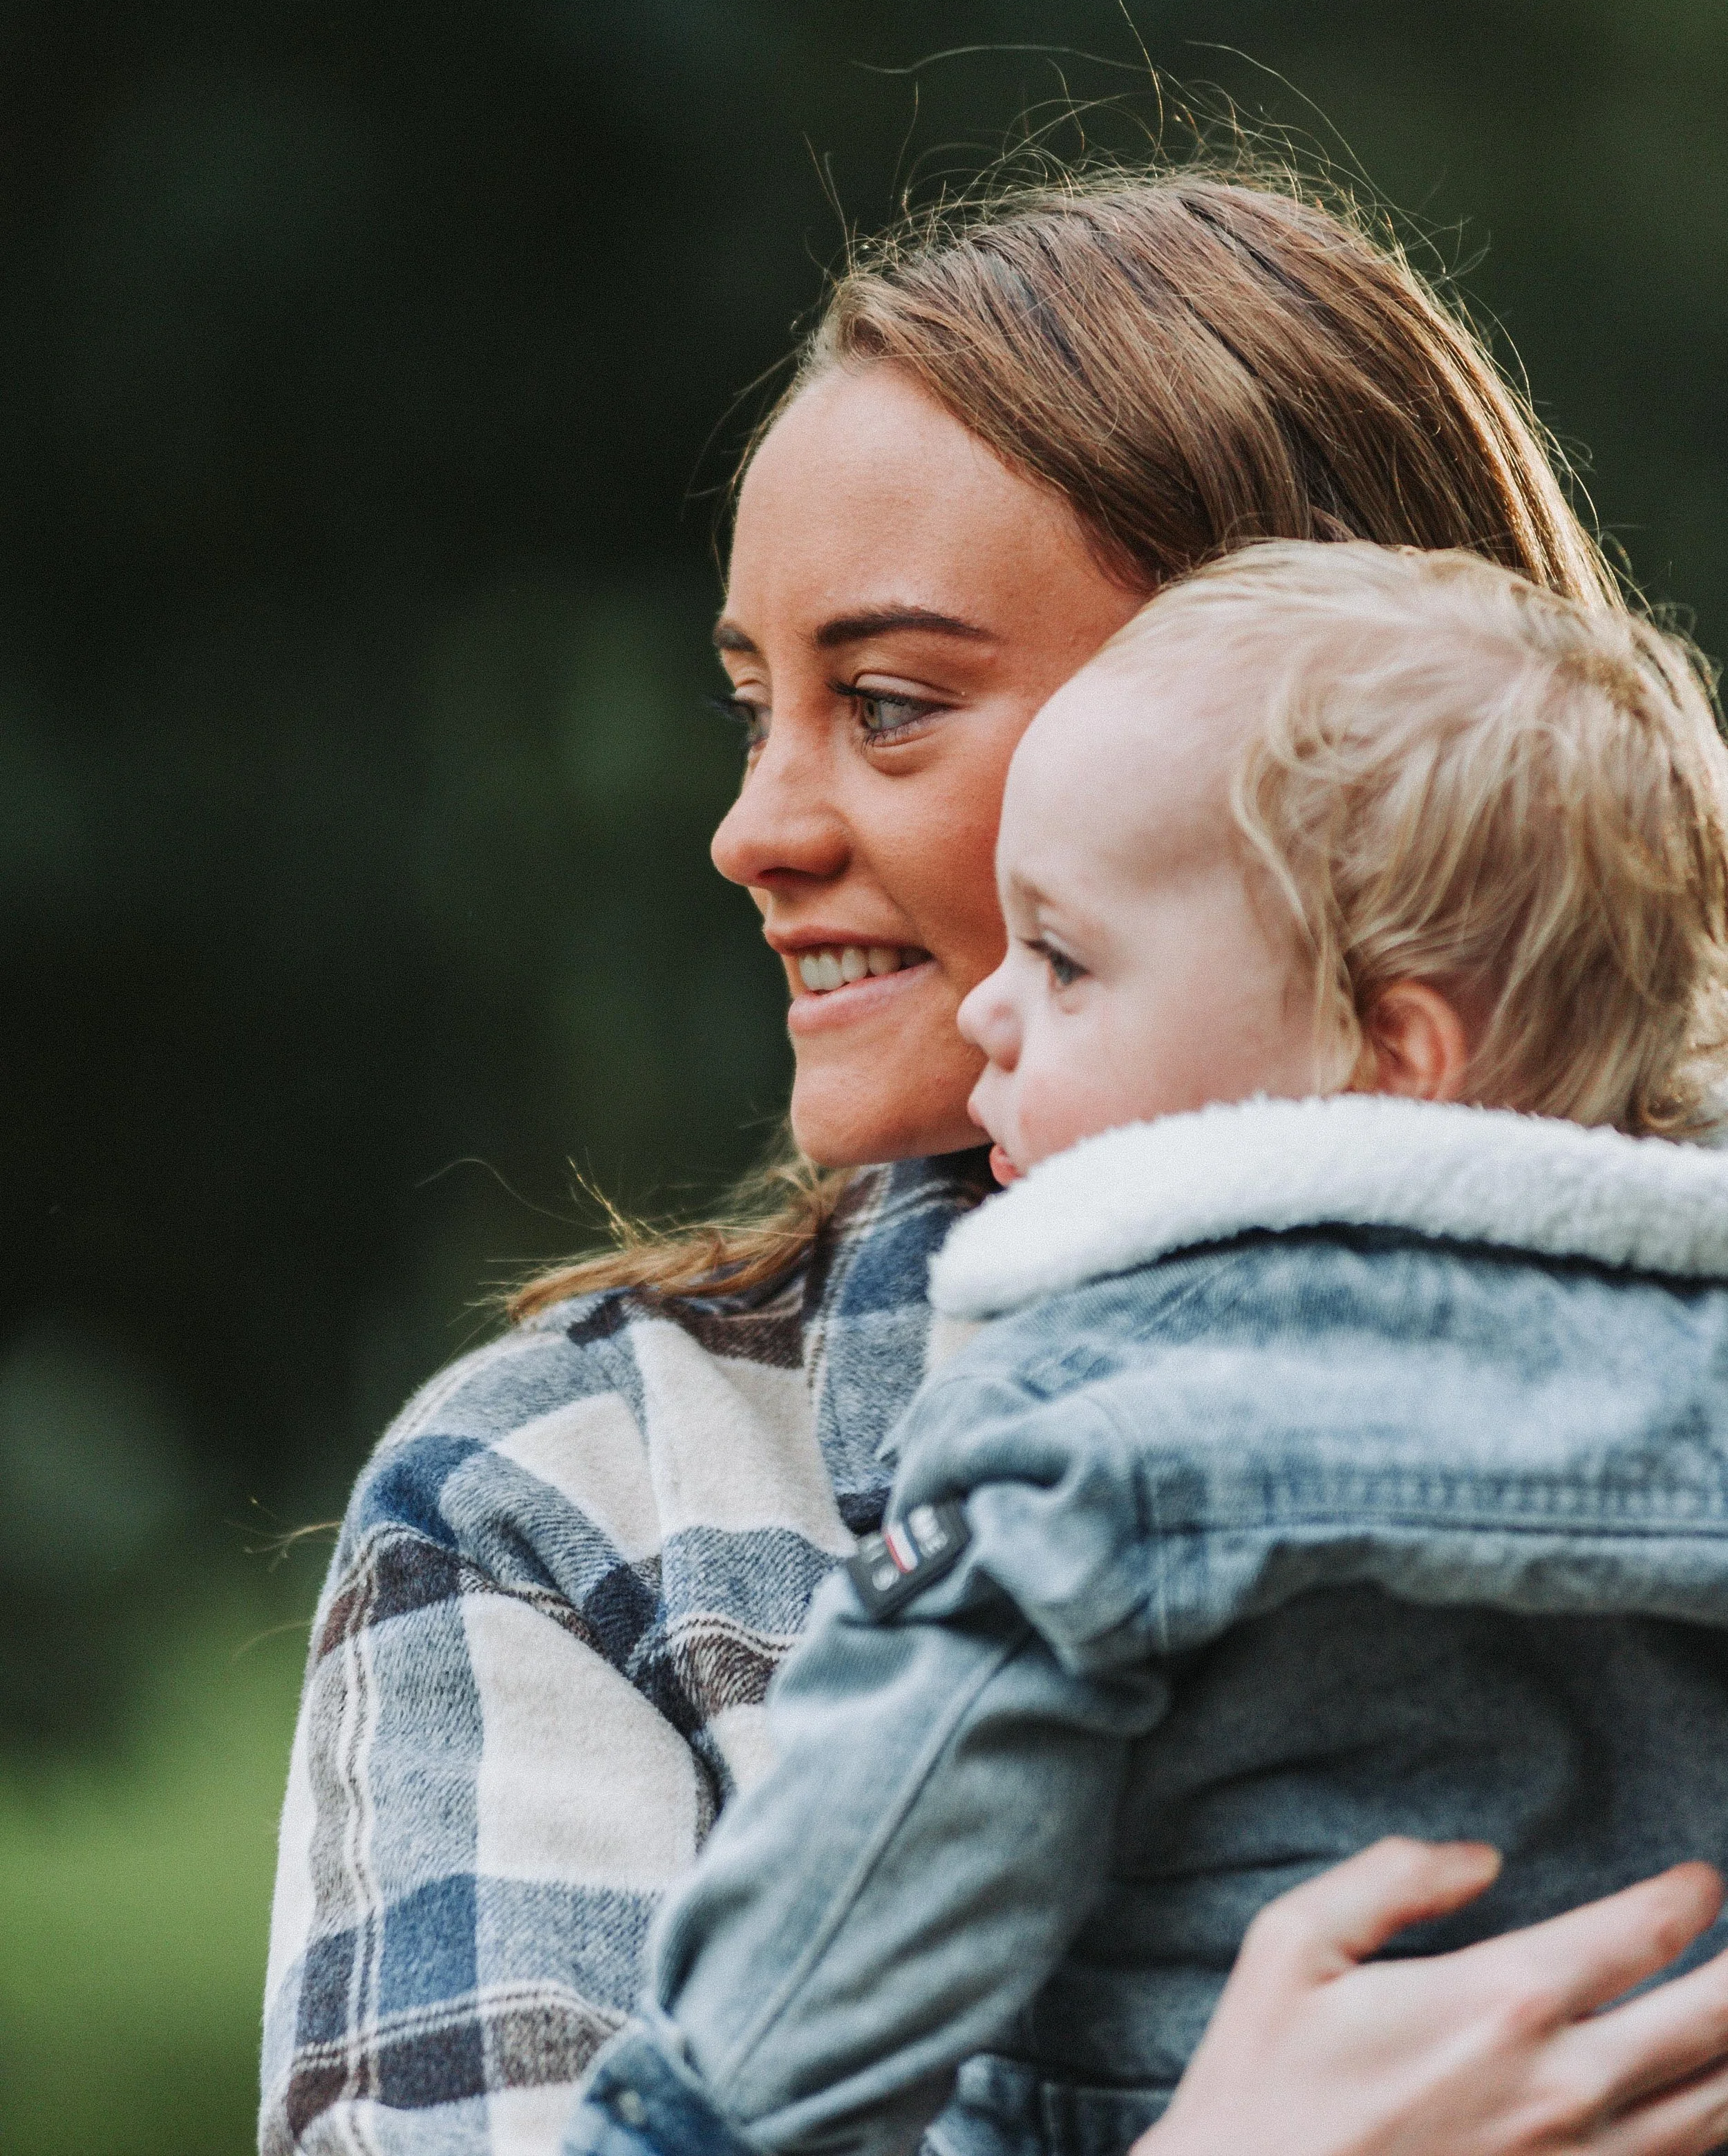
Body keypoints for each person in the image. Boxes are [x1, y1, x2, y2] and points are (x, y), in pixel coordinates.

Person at [260, 169, 1728, 2156]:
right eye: (751, 706)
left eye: (887, 704)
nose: (752, 826)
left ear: (1350, 749)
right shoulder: (572, 1499)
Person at [565, 540, 1728, 2156]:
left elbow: (861, 1900)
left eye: (1063, 958)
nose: (991, 1008)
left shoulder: (1099, 1422)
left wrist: (677, 2127)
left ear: (1387, 1052)